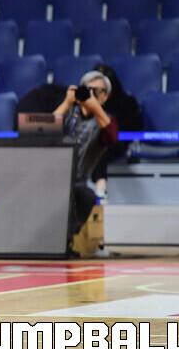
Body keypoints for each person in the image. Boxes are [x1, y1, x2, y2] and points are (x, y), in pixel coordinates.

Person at [53, 70, 119, 237]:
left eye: (98, 91)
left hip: (78, 182)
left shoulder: (105, 120)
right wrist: (67, 102)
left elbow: (112, 137)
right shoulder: (69, 113)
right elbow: (44, 130)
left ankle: (67, 240)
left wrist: (95, 106)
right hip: (54, 176)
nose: (92, 94)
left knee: (85, 197)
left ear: (105, 96)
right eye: (88, 90)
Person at [90, 63, 142, 199]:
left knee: (100, 150)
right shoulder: (88, 103)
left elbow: (135, 127)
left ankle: (100, 189)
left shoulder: (127, 102)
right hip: (92, 142)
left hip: (117, 143)